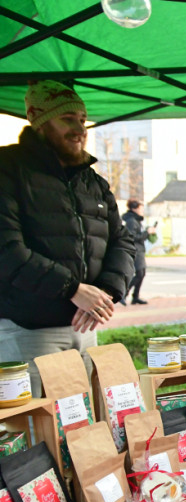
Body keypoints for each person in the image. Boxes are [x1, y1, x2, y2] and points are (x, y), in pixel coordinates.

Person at [0, 80, 135, 396]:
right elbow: (6, 249)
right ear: (38, 119)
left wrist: (105, 293)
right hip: (28, 331)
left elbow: (124, 242)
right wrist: (73, 289)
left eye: (82, 119)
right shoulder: (7, 168)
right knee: (38, 434)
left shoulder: (94, 181)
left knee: (82, 431)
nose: (80, 129)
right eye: (67, 119)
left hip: (85, 328)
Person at [122, 199, 154, 305]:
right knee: (139, 273)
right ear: (134, 208)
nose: (142, 211)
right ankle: (124, 294)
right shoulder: (131, 221)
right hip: (136, 250)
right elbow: (132, 237)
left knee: (142, 273)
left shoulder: (136, 220)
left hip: (139, 250)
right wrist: (146, 233)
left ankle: (135, 296)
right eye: (141, 208)